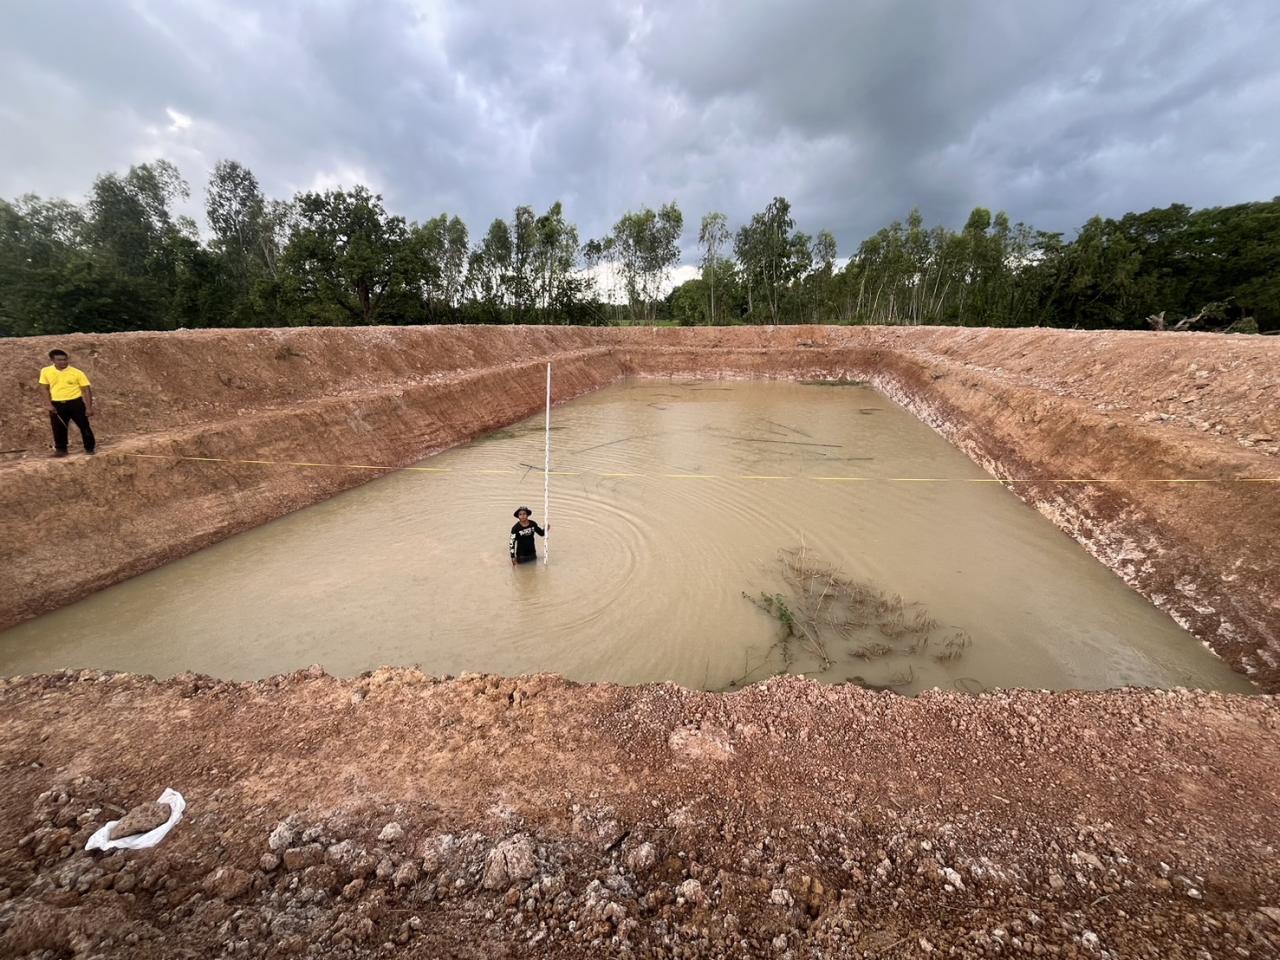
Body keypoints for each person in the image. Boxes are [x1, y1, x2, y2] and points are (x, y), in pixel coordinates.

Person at [39, 349, 96, 457]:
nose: (63, 362)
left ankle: (89, 448)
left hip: (75, 403)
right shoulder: (45, 371)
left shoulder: (77, 372)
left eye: (65, 360)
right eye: (59, 360)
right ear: (52, 360)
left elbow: (86, 390)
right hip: (57, 404)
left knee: (84, 426)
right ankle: (61, 449)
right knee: (58, 427)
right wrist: (48, 404)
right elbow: (44, 388)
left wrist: (89, 407)